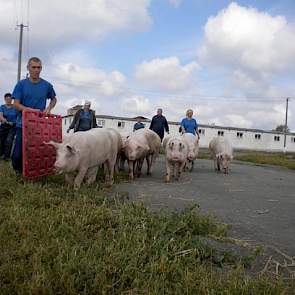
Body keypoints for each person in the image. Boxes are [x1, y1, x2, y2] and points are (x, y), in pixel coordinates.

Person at [12, 57, 57, 173]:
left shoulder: (47, 85)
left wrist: (49, 108)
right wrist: (29, 110)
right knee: (17, 155)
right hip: (22, 124)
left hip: (39, 125)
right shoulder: (21, 85)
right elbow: (16, 104)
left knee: (35, 152)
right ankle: (18, 171)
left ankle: (32, 173)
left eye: (39, 67)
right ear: (28, 68)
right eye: (34, 67)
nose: (36, 70)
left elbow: (54, 99)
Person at [0, 93, 18, 160]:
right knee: (2, 140)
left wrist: (14, 122)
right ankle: (1, 154)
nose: (8, 100)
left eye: (10, 99)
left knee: (9, 140)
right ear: (5, 99)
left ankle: (7, 156)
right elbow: (1, 116)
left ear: (12, 100)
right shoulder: (2, 107)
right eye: (7, 99)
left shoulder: (15, 107)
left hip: (12, 126)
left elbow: (18, 116)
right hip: (4, 125)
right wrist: (4, 119)